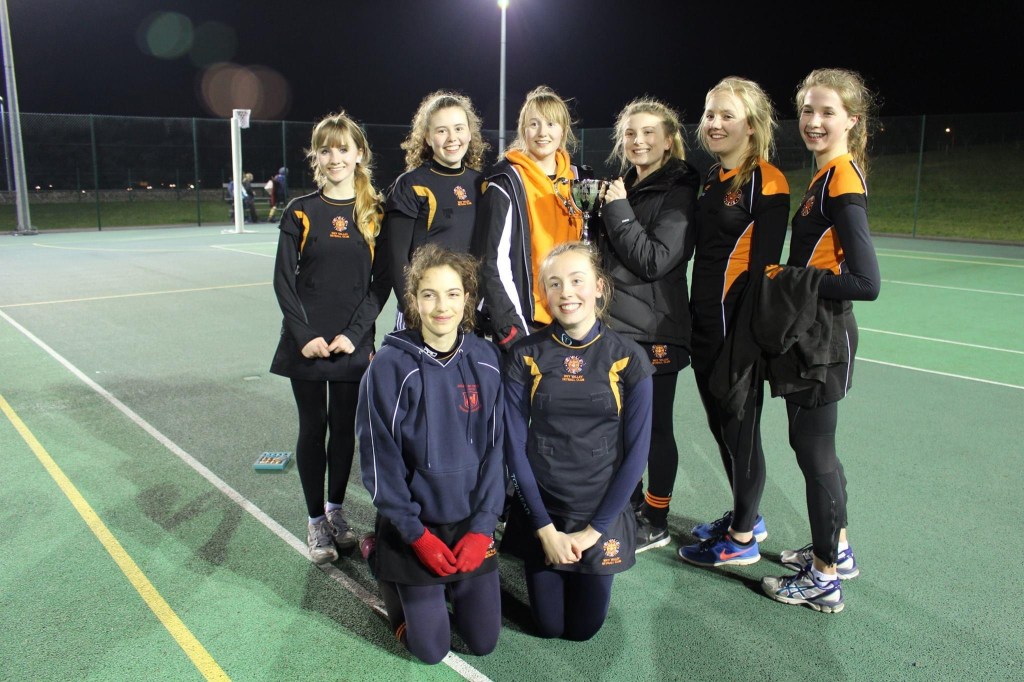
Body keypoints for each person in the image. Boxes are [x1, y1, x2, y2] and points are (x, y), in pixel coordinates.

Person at [756, 68, 879, 613]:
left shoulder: (843, 182)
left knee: (816, 454)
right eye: (808, 109)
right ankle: (838, 550)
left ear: (852, 119)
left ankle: (824, 577)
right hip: (812, 332)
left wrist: (791, 277)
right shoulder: (827, 176)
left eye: (828, 111)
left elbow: (867, 282)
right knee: (815, 450)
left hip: (823, 338)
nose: (814, 120)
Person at [357, 244, 504, 664]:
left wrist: (483, 527)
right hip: (414, 525)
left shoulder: (486, 360)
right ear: (414, 301)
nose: (442, 307)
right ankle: (382, 560)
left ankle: (448, 587)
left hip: (469, 522)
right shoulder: (388, 367)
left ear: (467, 299)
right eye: (429, 295)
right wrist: (415, 535)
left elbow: (497, 453)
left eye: (453, 294)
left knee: (483, 642)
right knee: (431, 649)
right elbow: (379, 462)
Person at [501, 242, 654, 640]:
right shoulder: (525, 354)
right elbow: (514, 447)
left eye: (576, 280)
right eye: (554, 283)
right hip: (543, 511)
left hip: (599, 515)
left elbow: (636, 456)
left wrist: (593, 531)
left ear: (599, 287)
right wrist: (544, 528)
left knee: (583, 629)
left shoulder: (629, 358)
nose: (566, 292)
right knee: (549, 627)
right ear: (544, 293)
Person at [676, 77, 790, 566]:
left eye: (727, 115)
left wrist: (745, 342)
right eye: (709, 114)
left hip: (736, 331)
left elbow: (765, 272)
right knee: (721, 427)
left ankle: (742, 541)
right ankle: (748, 515)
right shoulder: (711, 177)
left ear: (752, 125)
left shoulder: (767, 180)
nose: (715, 123)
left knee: (741, 432)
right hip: (703, 324)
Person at [270, 111, 389, 564]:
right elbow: (284, 282)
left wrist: (354, 336)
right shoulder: (300, 210)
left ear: (360, 154)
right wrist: (304, 336)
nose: (335, 157)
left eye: (343, 149)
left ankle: (336, 511)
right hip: (306, 343)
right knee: (313, 426)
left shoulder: (375, 213)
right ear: (315, 156)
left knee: (343, 428)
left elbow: (381, 284)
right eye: (326, 150)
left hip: (351, 344)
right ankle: (315, 520)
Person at [596, 97, 699, 552]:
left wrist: (617, 210)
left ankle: (656, 518)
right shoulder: (628, 186)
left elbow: (655, 259)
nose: (638, 141)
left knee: (654, 427)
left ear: (668, 141)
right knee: (620, 424)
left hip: (656, 329)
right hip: (617, 324)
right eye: (630, 134)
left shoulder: (678, 189)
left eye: (648, 133)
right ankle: (631, 503)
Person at [476, 85, 590, 351]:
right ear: (522, 130)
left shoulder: (581, 179)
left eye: (551, 124)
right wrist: (512, 330)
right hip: (528, 325)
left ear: (563, 130)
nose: (542, 133)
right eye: (533, 124)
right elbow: (492, 263)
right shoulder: (505, 182)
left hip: (575, 320)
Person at [383, 90, 489, 328]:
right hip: (425, 312)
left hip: (466, 311)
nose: (452, 138)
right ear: (428, 138)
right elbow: (397, 258)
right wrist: (413, 312)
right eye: (442, 131)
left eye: (459, 128)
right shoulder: (411, 185)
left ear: (470, 133)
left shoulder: (481, 184)